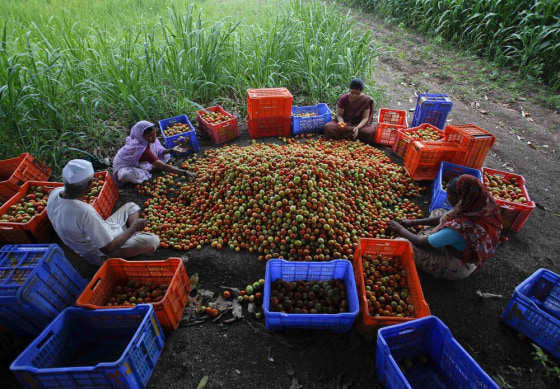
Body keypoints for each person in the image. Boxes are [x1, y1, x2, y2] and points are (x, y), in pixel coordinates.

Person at [387, 175, 503, 280]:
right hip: (469, 249)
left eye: (449, 195)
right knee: (439, 212)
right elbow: (444, 217)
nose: (447, 199)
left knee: (400, 242)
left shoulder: (459, 228)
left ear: (460, 199)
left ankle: (438, 261)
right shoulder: (480, 206)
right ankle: (435, 238)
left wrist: (399, 229)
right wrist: (412, 222)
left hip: (456, 265)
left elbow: (421, 242)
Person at [47, 159, 160, 266]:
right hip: (100, 254)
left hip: (102, 231)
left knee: (131, 206)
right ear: (89, 185)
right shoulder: (84, 212)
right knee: (153, 241)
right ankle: (131, 236)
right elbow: (107, 249)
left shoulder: (55, 193)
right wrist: (133, 228)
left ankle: (130, 236)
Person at [112, 120, 198, 186]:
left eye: (154, 134)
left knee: (166, 154)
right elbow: (164, 166)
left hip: (141, 160)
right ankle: (150, 169)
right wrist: (185, 172)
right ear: (141, 136)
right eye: (150, 136)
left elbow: (159, 150)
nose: (154, 138)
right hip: (126, 165)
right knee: (126, 175)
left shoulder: (150, 140)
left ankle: (150, 167)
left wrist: (172, 150)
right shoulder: (141, 148)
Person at [323, 78, 377, 144]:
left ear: (361, 92)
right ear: (349, 89)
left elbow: (365, 118)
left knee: (369, 132)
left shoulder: (365, 100)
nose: (354, 95)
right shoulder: (344, 98)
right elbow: (339, 115)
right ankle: (354, 137)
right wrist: (341, 123)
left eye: (358, 93)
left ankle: (348, 135)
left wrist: (357, 128)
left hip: (359, 124)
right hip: (346, 123)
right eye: (352, 92)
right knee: (328, 127)